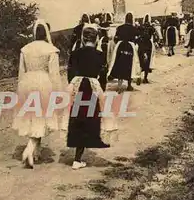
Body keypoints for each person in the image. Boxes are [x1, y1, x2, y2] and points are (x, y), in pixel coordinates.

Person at [61, 25, 117, 170]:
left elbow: (70, 74)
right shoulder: (100, 55)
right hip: (92, 88)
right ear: (97, 38)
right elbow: (103, 76)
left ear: (82, 38)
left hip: (77, 86)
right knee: (89, 118)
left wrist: (72, 88)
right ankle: (78, 158)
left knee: (77, 119)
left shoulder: (75, 53)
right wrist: (101, 92)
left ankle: (77, 158)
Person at [12, 19, 62, 168]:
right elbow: (54, 74)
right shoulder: (51, 49)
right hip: (43, 82)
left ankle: (36, 152)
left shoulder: (25, 49)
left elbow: (21, 72)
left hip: (27, 82)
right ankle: (29, 148)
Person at [107, 12, 140, 92]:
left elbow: (115, 38)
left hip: (120, 46)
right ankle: (129, 85)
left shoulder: (120, 27)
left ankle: (119, 86)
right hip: (130, 47)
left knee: (119, 64)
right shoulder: (134, 28)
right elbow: (137, 38)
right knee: (130, 65)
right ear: (132, 19)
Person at [68, 13, 91, 82]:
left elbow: (73, 40)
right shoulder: (91, 27)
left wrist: (70, 49)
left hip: (78, 45)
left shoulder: (77, 28)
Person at [137, 13, 156, 84]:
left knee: (140, 60)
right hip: (148, 44)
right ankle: (145, 78)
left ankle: (138, 76)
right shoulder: (151, 27)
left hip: (141, 43)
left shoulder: (140, 27)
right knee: (147, 61)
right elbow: (153, 34)